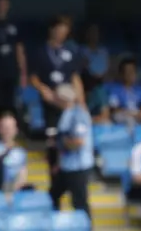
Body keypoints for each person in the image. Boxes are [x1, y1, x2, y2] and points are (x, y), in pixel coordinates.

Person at [29, 15, 85, 181]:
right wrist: (42, 89)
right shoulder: (40, 52)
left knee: (69, 137)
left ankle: (70, 172)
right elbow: (33, 77)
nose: (62, 34)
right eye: (59, 30)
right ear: (52, 29)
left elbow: (75, 77)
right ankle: (54, 174)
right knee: (53, 138)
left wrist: (80, 102)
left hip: (68, 103)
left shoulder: (70, 52)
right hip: (51, 101)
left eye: (65, 31)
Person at [49, 83, 93, 217]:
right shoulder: (65, 114)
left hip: (78, 167)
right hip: (66, 166)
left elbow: (79, 142)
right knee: (52, 195)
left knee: (79, 202)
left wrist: (61, 142)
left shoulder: (78, 114)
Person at [0, 113, 33, 195]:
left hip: (15, 192)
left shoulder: (21, 152)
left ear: (16, 130)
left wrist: (11, 189)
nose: (7, 131)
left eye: (10, 128)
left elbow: (22, 176)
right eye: (5, 127)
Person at [107, 58, 141, 124]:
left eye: (133, 71)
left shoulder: (140, 89)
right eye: (128, 71)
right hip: (123, 116)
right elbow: (115, 110)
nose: (130, 74)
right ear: (122, 74)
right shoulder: (115, 90)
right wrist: (134, 113)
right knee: (129, 120)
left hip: (138, 116)